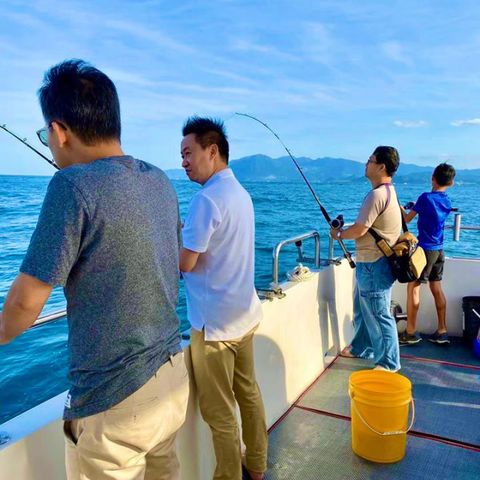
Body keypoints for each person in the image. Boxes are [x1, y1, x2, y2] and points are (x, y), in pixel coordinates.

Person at [0, 60, 189, 480]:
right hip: (172, 377)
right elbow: (173, 263)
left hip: (115, 402)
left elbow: (25, 302)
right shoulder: (160, 180)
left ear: (59, 131)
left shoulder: (70, 186)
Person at [179, 117, 267, 480]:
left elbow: (185, 262)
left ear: (212, 151)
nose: (183, 161)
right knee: (248, 393)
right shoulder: (240, 194)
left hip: (213, 328)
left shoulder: (207, 199)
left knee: (219, 414)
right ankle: (258, 466)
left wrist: (170, 237)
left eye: (188, 153)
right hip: (243, 317)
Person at [331, 146, 402, 372]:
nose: (366, 164)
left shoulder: (376, 195)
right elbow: (367, 226)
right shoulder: (388, 192)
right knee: (362, 308)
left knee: (379, 315)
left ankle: (388, 364)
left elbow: (360, 229)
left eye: (370, 160)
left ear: (381, 166)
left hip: (374, 264)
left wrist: (339, 234)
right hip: (373, 263)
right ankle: (361, 346)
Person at [399, 163, 456, 345]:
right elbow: (433, 208)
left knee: (413, 287)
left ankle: (411, 332)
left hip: (424, 251)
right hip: (439, 250)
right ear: (451, 183)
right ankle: (442, 331)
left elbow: (407, 219)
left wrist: (401, 209)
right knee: (436, 288)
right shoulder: (446, 200)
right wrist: (419, 206)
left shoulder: (425, 197)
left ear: (432, 177)